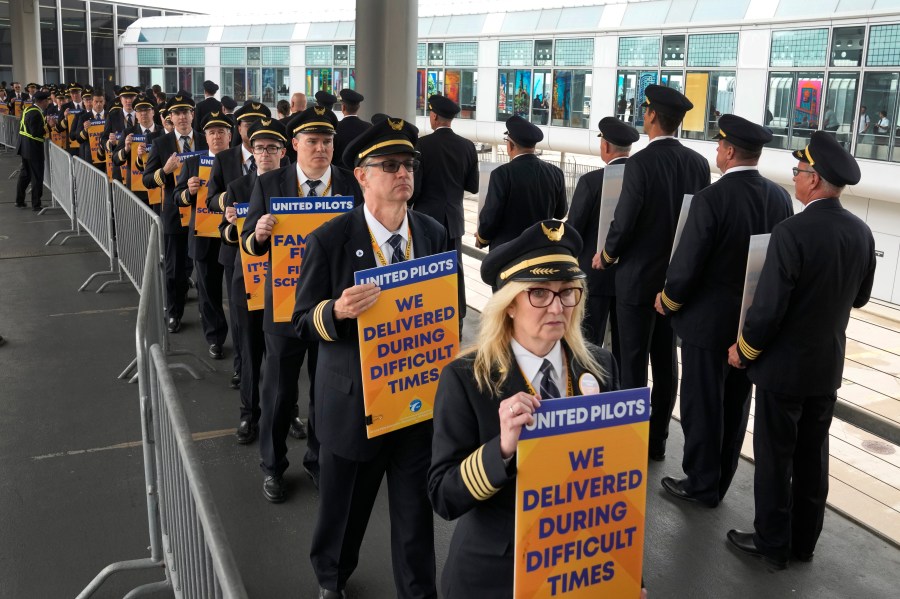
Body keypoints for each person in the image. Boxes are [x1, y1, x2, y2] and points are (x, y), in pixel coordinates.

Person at [293, 116, 447, 599]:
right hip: (355, 404)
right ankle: (331, 578)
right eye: (390, 165)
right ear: (361, 175)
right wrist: (335, 310)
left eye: (409, 165)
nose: (403, 173)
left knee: (415, 515)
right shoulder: (330, 239)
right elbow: (302, 320)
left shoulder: (433, 233)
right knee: (345, 509)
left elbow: (449, 312)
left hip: (416, 403)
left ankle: (418, 592)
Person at [428, 219, 621, 598]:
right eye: (539, 293)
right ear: (510, 304)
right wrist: (500, 450)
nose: (556, 307)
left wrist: (628, 575)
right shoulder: (466, 379)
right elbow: (443, 496)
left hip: (578, 567)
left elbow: (614, 484)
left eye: (567, 292)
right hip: (497, 573)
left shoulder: (600, 366)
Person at [725, 131, 876, 569]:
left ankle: (772, 542)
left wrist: (745, 350)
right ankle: (804, 541)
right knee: (813, 457)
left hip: (783, 370)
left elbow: (768, 309)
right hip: (826, 367)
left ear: (814, 180)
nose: (795, 178)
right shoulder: (862, 232)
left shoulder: (791, 232)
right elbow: (862, 297)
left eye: (798, 171)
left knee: (775, 457)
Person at [653, 114, 793, 508]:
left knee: (701, 404)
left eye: (719, 146)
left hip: (705, 323)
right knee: (735, 405)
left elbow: (688, 262)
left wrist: (669, 299)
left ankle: (700, 483)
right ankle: (721, 481)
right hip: (749, 326)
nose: (717, 151)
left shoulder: (711, 198)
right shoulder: (780, 197)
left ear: (730, 152)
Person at [242, 106, 363, 503]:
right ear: (294, 145)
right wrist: (258, 234)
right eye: (312, 141)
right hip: (283, 307)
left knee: (325, 393)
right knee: (278, 392)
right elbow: (248, 242)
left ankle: (317, 460)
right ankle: (273, 466)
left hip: (331, 309)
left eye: (327, 142)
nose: (321, 149)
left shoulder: (350, 184)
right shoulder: (270, 182)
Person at [595, 84, 710, 461]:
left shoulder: (641, 163)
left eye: (645, 112)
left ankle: (629, 441)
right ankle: (657, 441)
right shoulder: (697, 163)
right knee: (665, 363)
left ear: (651, 117)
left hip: (637, 281)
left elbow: (624, 220)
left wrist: (607, 256)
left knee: (632, 361)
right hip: (675, 282)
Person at [218, 118, 289, 444]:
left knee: (284, 357)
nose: (265, 154)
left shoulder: (292, 188)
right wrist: (235, 226)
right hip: (245, 280)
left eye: (272, 148)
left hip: (284, 284)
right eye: (259, 148)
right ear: (252, 151)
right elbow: (225, 234)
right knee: (249, 353)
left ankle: (290, 414)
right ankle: (249, 414)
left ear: (282, 152)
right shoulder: (238, 187)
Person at [206, 100, 272, 391]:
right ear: (240, 128)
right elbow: (210, 200)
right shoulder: (224, 160)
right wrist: (228, 208)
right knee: (241, 321)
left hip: (274, 259)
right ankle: (242, 369)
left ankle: (270, 378)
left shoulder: (280, 165)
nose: (252, 129)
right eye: (247, 124)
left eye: (259, 124)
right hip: (236, 253)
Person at [567, 117, 639, 363]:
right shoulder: (642, 179)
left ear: (606, 147)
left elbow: (573, 229)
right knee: (625, 348)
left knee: (587, 344)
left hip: (593, 277)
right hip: (630, 279)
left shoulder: (591, 181)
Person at [143, 93, 208, 334]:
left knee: (204, 269)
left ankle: (207, 313)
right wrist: (165, 170)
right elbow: (148, 180)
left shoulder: (205, 140)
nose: (182, 117)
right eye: (177, 113)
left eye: (186, 112)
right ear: (170, 117)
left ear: (193, 114)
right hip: (173, 214)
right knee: (174, 269)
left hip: (204, 214)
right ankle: (174, 312)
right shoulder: (161, 144)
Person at [410, 94, 478, 327]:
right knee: (454, 270)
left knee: (426, 271)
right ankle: (456, 321)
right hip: (454, 221)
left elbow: (415, 189)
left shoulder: (422, 145)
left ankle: (429, 320)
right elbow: (473, 186)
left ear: (435, 116)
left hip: (426, 220)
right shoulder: (467, 146)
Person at [174, 111, 234, 361]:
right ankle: (215, 338)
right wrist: (188, 192)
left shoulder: (239, 162)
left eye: (221, 132)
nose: (217, 136)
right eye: (211, 133)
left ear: (230, 136)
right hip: (203, 237)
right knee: (208, 293)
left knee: (237, 292)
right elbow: (176, 197)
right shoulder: (192, 162)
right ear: (205, 138)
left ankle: (242, 340)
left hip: (232, 237)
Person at [475, 115, 566, 250]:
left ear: (510, 145)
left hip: (507, 252)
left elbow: (491, 216)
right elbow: (560, 213)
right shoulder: (556, 172)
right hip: (540, 248)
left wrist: (482, 239)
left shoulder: (501, 174)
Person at [112, 94, 163, 208]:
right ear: (136, 114)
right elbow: (115, 160)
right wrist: (126, 149)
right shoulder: (128, 133)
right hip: (137, 187)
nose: (143, 113)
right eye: (139, 111)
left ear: (153, 112)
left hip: (159, 186)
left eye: (146, 110)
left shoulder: (163, 133)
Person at [15, 91, 51, 211]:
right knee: (36, 177)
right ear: (42, 102)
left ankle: (19, 200)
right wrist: (49, 126)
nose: (48, 103)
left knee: (25, 175)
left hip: (24, 147)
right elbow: (36, 132)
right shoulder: (36, 113)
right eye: (47, 100)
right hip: (33, 149)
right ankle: (36, 204)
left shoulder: (27, 109)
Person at [332, 88, 371, 166]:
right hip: (360, 172)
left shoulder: (335, 127)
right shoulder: (368, 127)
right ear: (358, 107)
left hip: (339, 173)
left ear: (343, 107)